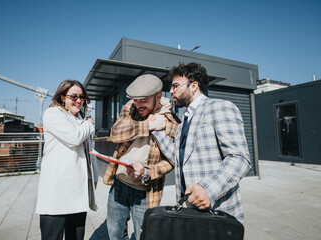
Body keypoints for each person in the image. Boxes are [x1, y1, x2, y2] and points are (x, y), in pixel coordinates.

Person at [150, 63, 251, 223]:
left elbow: (239, 158)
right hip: (188, 213)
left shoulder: (220, 107)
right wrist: (157, 131)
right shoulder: (183, 123)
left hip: (218, 215)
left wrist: (207, 189)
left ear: (194, 86)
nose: (170, 92)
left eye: (175, 86)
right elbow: (178, 159)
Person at [103, 74, 179, 240]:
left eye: (143, 100)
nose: (138, 104)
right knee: (115, 234)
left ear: (158, 96)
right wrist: (148, 125)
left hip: (146, 191)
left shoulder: (171, 122)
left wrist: (146, 172)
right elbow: (115, 134)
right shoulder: (130, 107)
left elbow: (172, 161)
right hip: (119, 183)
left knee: (143, 236)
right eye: (135, 99)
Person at [36, 80, 97, 240]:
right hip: (57, 192)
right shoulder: (53, 114)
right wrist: (89, 124)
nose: (78, 100)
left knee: (76, 237)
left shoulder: (80, 119)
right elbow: (74, 138)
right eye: (74, 96)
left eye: (82, 97)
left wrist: (94, 177)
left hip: (78, 191)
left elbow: (89, 150)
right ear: (62, 97)